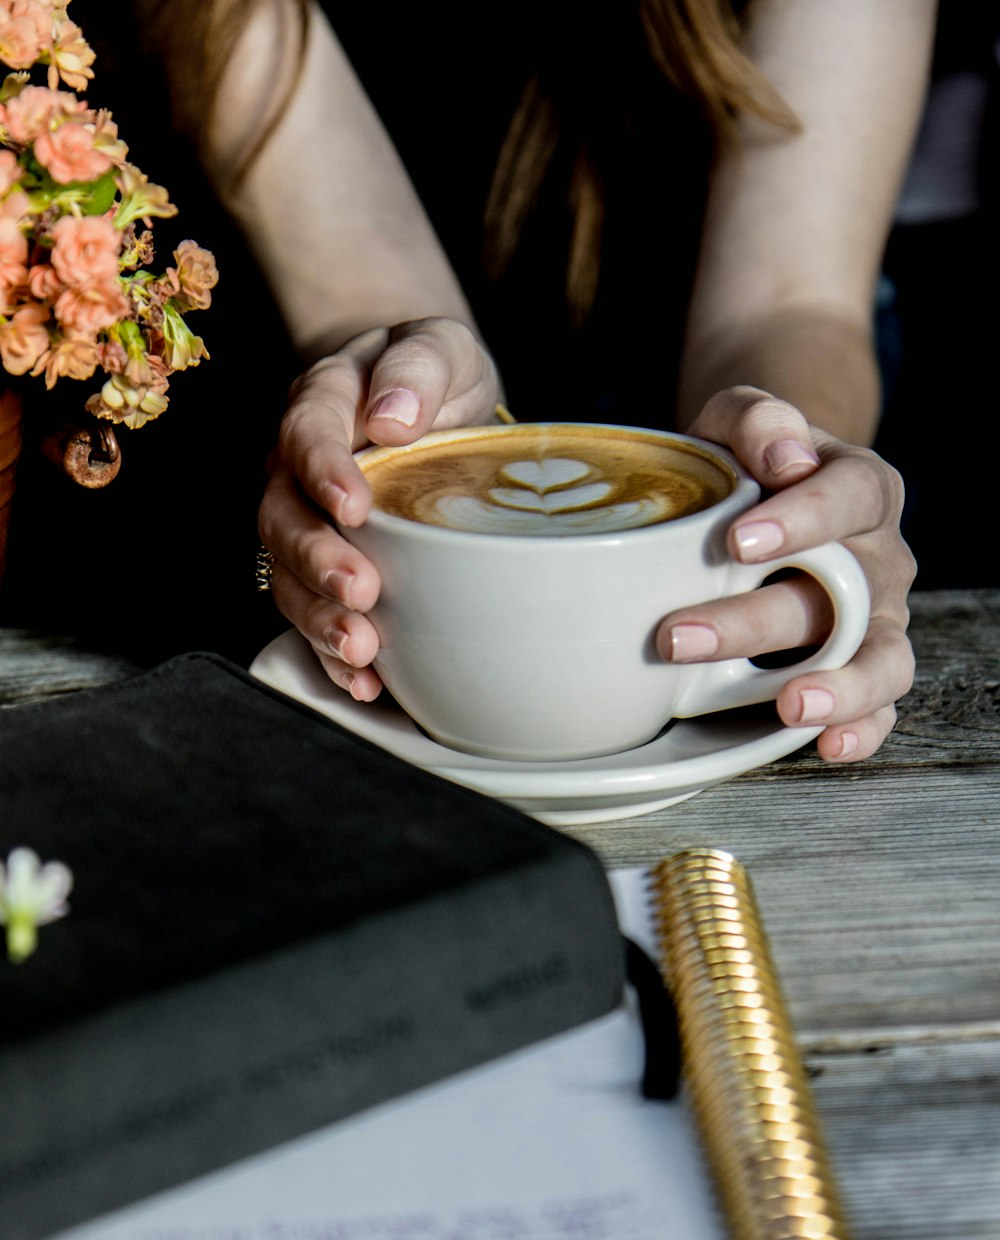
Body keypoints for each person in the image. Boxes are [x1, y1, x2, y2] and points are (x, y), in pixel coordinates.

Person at [135, 0, 929, 761]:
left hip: (684, 392)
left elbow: (790, 302)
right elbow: (360, 283)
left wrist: (791, 483)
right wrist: (390, 398)